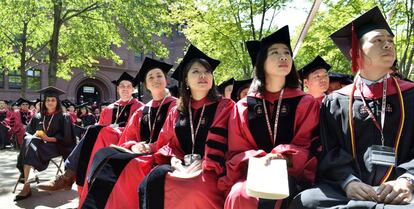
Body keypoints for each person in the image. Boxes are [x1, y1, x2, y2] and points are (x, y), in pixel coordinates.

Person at [289, 6, 414, 209]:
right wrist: (348, 181)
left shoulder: (410, 94)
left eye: (390, 41)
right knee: (306, 202)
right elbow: (330, 150)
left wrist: (408, 179)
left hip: (401, 190)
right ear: (356, 52)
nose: (388, 45)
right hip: (351, 190)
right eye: (378, 40)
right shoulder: (337, 101)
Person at [220, 25, 320, 209]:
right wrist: (258, 158)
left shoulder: (305, 102)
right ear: (261, 62)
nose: (283, 57)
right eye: (274, 53)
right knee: (239, 194)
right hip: (254, 174)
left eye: (287, 53)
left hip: (293, 175)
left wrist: (283, 157)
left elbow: (307, 145)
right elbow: (236, 150)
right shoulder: (243, 107)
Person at [139, 44, 234, 209]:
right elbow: (168, 144)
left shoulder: (226, 106)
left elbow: (228, 145)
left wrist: (204, 164)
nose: (203, 75)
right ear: (186, 80)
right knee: (153, 181)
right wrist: (175, 161)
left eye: (207, 72)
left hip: (214, 171)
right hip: (182, 167)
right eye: (196, 72)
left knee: (192, 189)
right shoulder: (177, 110)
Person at [79, 57, 176, 209]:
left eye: (159, 76)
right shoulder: (142, 110)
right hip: (139, 153)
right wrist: (133, 146)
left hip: (162, 155)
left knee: (128, 166)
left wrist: (151, 148)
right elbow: (128, 137)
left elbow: (176, 138)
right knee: (109, 159)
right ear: (146, 85)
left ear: (166, 80)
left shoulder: (176, 106)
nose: (155, 79)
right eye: (150, 77)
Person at [37, 72, 143, 193]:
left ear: (133, 89)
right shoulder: (109, 108)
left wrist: (113, 130)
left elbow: (138, 132)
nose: (125, 88)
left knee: (93, 132)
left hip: (125, 143)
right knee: (92, 132)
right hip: (103, 142)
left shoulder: (140, 108)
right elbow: (99, 126)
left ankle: (67, 177)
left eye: (128, 86)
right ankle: (70, 178)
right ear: (118, 88)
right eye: (122, 86)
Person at [15, 86, 76, 201]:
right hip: (36, 146)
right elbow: (27, 133)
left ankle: (27, 183)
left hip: (55, 147)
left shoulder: (64, 117)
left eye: (53, 100)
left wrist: (48, 138)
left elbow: (67, 138)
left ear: (57, 101)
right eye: (47, 100)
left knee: (29, 144)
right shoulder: (37, 116)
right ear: (44, 102)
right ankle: (28, 181)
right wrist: (35, 136)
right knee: (30, 140)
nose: (50, 102)